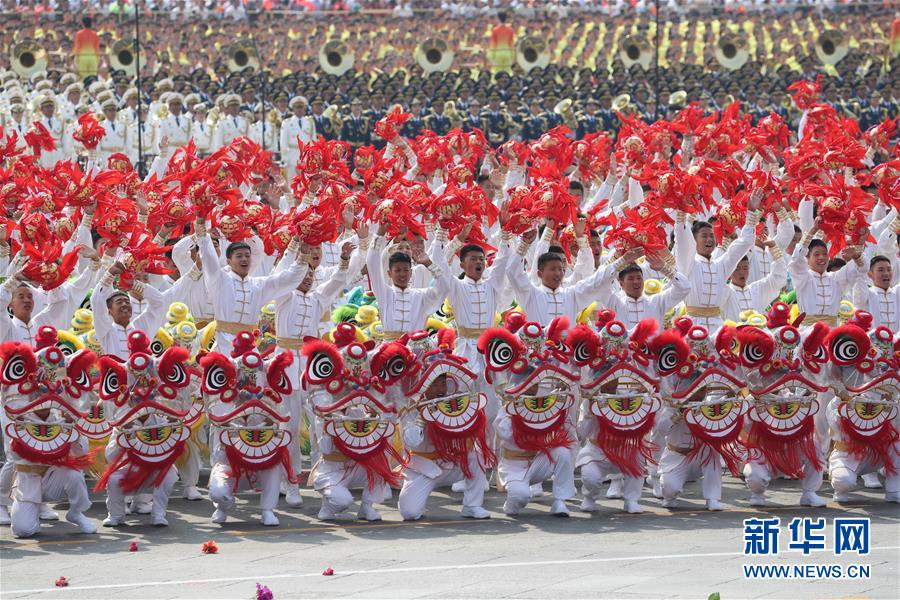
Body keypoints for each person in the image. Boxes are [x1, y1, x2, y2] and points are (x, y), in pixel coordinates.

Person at [73, 16, 100, 80]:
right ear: (91, 24)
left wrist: (76, 59)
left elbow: (77, 47)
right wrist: (97, 59)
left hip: (82, 57)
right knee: (93, 77)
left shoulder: (79, 34)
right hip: (93, 57)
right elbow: (96, 48)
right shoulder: (95, 34)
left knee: (83, 77)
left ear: (83, 24)